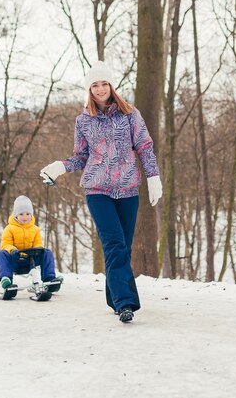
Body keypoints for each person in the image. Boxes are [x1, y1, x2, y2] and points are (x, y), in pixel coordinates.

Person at [40, 60, 162, 323]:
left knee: (122, 248)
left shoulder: (131, 115)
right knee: (114, 243)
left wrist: (153, 176)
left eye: (104, 83)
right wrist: (60, 167)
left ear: (111, 85)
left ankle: (115, 298)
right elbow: (81, 157)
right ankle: (125, 302)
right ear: (89, 89)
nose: (100, 88)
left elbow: (144, 146)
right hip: (97, 189)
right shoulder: (84, 121)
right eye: (94, 85)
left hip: (128, 189)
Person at [0, 195, 61, 291]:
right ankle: (6, 280)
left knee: (47, 252)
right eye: (21, 214)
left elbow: (38, 243)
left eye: (27, 214)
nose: (25, 217)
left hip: (31, 260)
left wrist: (37, 250)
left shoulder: (35, 229)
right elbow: (6, 244)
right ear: (15, 215)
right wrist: (13, 251)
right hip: (15, 260)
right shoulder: (9, 228)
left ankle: (49, 279)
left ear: (31, 215)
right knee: (1, 254)